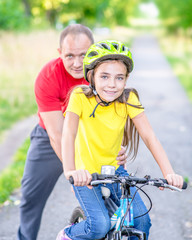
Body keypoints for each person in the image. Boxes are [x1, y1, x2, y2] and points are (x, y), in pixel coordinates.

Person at [58, 40, 184, 240]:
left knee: (141, 222)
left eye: (119, 78)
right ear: (91, 76)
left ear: (126, 80)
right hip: (85, 173)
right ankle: (67, 235)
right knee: (99, 226)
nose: (112, 84)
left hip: (116, 171)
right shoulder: (80, 97)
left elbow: (149, 137)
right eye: (104, 76)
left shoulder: (128, 99)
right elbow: (68, 134)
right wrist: (71, 170)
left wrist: (168, 173)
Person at [17, 25, 127, 240]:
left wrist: (117, 145)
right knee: (31, 196)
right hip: (50, 136)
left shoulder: (104, 73)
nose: (77, 63)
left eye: (83, 55)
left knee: (118, 194)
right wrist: (74, 170)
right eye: (70, 55)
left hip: (93, 136)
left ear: (93, 51)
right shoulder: (48, 77)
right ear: (60, 53)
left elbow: (115, 114)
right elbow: (57, 134)